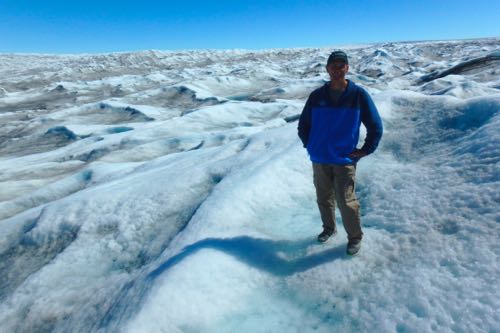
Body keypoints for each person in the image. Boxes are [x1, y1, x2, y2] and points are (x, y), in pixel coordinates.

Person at [298, 50, 383, 255]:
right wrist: (311, 145)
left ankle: (354, 238)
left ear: (347, 68)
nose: (337, 70)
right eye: (333, 66)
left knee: (346, 202)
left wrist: (366, 149)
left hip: (344, 159)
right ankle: (329, 229)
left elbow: (375, 125)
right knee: (323, 198)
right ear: (327, 68)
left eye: (341, 65)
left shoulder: (357, 95)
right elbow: (304, 125)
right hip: (319, 158)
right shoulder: (317, 96)